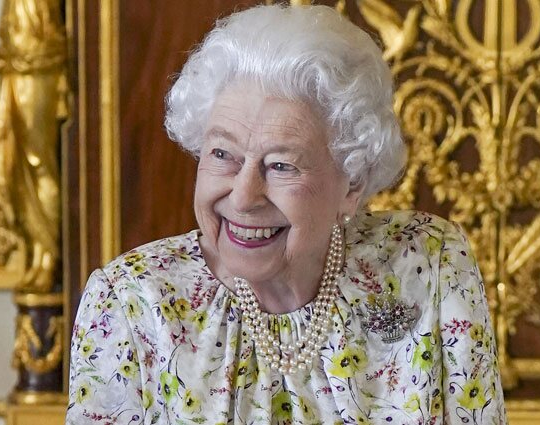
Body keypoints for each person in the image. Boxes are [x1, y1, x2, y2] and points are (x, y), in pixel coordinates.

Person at [66, 4, 505, 424]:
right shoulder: (132, 304)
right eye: (222, 154)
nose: (242, 197)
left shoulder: (427, 265)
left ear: (351, 183)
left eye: (280, 165)